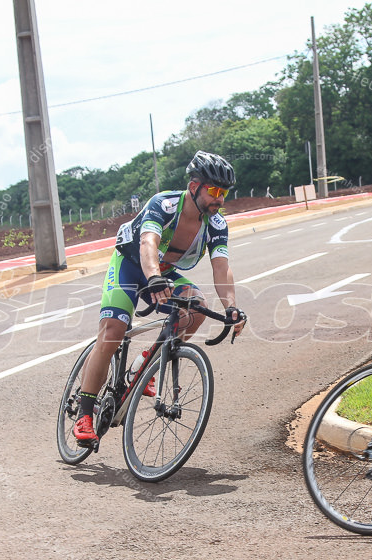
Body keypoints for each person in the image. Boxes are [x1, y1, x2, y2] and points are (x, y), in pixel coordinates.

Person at [72, 151, 246, 446]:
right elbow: (147, 242)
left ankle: (145, 363)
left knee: (196, 308)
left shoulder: (215, 224)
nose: (220, 200)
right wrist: (153, 277)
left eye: (224, 193)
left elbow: (221, 267)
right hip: (130, 265)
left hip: (162, 271)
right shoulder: (164, 205)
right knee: (113, 332)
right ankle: (85, 413)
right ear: (195, 187)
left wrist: (231, 307)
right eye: (215, 191)